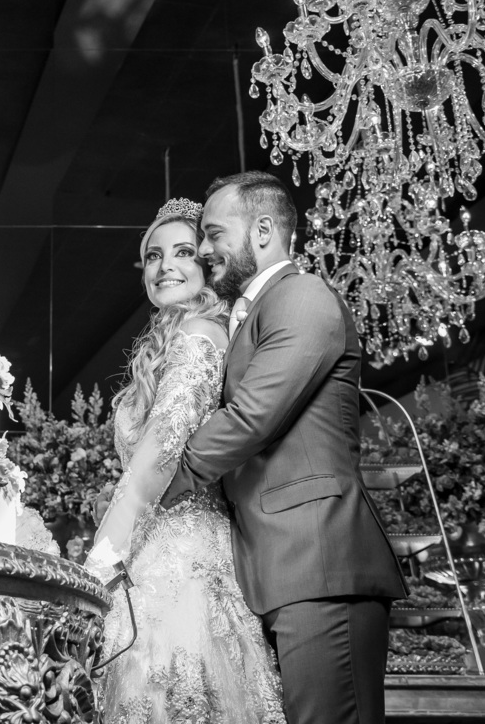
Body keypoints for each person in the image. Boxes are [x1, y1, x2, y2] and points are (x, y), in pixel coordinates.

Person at [160, 171, 407, 724]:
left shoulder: (302, 296)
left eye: (215, 234)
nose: (204, 250)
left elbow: (251, 418)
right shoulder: (248, 312)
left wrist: (157, 487)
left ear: (265, 229)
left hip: (319, 564)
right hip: (276, 569)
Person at [86, 198, 285, 724]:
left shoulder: (198, 338)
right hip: (162, 541)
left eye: (182, 252)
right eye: (153, 256)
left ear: (207, 265)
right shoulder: (173, 339)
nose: (164, 266)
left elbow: (156, 461)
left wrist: (97, 565)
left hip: (180, 560)